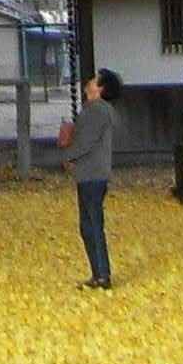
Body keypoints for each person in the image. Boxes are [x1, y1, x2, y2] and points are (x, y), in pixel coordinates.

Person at [54, 66, 123, 290]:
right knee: (90, 224)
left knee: (91, 224)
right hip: (93, 173)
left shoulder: (95, 111)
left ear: (100, 88)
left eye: (94, 80)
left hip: (91, 173)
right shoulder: (99, 111)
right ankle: (99, 273)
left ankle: (102, 274)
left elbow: (86, 142)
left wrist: (68, 154)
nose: (90, 82)